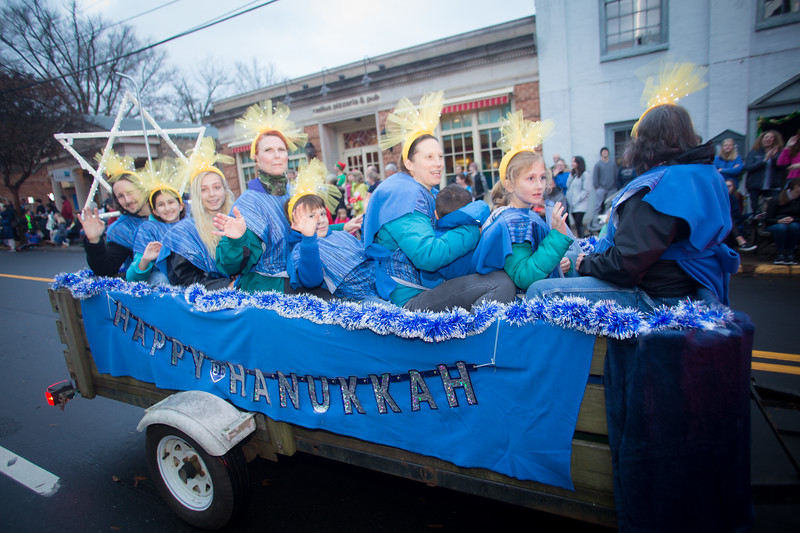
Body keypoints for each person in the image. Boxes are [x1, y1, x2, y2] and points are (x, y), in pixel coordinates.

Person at [528, 62, 739, 311]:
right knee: (573, 256)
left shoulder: (659, 187)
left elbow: (626, 266)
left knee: (539, 291)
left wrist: (586, 263)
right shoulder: (706, 173)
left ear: (645, 144)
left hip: (656, 295)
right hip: (694, 283)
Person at [365, 91, 516, 311]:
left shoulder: (424, 190)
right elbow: (428, 256)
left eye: (439, 156)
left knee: (499, 274)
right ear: (409, 163)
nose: (438, 163)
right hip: (407, 300)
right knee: (499, 284)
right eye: (428, 157)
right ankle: (476, 343)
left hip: (427, 287)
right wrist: (476, 231)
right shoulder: (403, 194)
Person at [472, 113, 573, 292]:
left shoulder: (522, 213)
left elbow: (536, 257)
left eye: (542, 177)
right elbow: (524, 276)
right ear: (510, 185)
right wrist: (557, 236)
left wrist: (557, 262)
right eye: (530, 178)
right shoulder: (514, 221)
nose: (539, 185)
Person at [285, 159, 377, 300]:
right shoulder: (301, 250)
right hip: (359, 300)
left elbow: (368, 253)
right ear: (297, 224)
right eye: (311, 216)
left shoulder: (341, 235)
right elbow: (311, 281)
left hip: (381, 284)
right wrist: (309, 239)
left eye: (322, 214)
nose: (320, 219)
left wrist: (367, 219)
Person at [158, 137, 236, 289]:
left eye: (216, 187)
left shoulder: (236, 221)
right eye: (203, 190)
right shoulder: (183, 233)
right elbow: (183, 281)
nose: (212, 194)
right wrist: (227, 285)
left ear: (225, 190)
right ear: (196, 195)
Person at [79, 149, 151, 277]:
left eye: (130, 192)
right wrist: (94, 241)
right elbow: (106, 270)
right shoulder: (121, 230)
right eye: (121, 196)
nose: (127, 200)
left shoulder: (167, 212)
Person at [126, 159, 186, 284]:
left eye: (170, 202)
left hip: (189, 276)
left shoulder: (190, 225)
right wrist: (145, 260)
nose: (168, 208)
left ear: (180, 206)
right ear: (155, 211)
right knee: (161, 279)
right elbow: (131, 278)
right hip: (162, 281)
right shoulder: (148, 229)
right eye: (161, 204)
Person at [744, 130, 785, 214]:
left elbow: (783, 167)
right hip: (755, 187)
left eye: (771, 137)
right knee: (756, 211)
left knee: (773, 210)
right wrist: (764, 160)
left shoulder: (779, 153)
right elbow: (748, 167)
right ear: (762, 139)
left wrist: (773, 158)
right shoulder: (754, 152)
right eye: (766, 137)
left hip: (773, 187)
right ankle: (756, 226)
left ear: (775, 140)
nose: (768, 139)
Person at [764, 177, 800, 265]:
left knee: (795, 226)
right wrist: (779, 221)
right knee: (782, 228)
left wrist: (793, 219)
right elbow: (767, 219)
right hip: (776, 223)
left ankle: (790, 252)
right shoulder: (777, 199)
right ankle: (780, 254)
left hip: (793, 223)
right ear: (794, 187)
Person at [587, 147, 617, 233]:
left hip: (612, 189)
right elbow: (595, 177)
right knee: (598, 206)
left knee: (609, 206)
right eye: (603, 152)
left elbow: (615, 174)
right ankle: (594, 224)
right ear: (601, 154)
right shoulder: (598, 164)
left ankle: (606, 224)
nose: (605, 153)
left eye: (606, 151)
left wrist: (615, 186)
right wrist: (598, 187)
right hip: (601, 188)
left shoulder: (613, 163)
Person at [725, 179, 756, 253]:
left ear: (734, 187)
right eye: (725, 186)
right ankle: (740, 241)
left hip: (734, 219)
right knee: (728, 218)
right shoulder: (721, 197)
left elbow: (738, 212)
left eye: (729, 186)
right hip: (725, 219)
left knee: (728, 218)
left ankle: (740, 241)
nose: (727, 188)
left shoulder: (736, 196)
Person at [566, 155, 593, 238]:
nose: (572, 163)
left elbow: (586, 190)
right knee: (577, 223)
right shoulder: (574, 175)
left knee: (579, 222)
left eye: (574, 161)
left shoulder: (585, 174)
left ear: (578, 163)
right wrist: (571, 174)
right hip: (573, 205)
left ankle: (582, 238)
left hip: (580, 204)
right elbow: (568, 185)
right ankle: (581, 237)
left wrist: (577, 199)